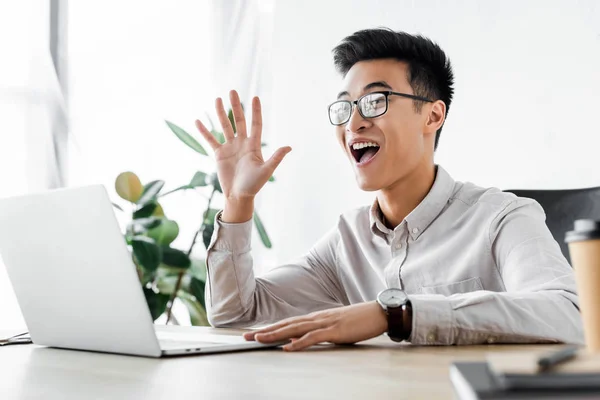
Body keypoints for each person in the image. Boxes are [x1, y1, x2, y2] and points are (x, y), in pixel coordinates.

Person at [193, 28, 583, 352]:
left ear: (432, 115)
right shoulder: (346, 242)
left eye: (375, 101)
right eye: (345, 107)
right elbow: (236, 316)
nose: (355, 122)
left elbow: (568, 314)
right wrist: (238, 202)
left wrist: (396, 313)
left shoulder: (502, 217)